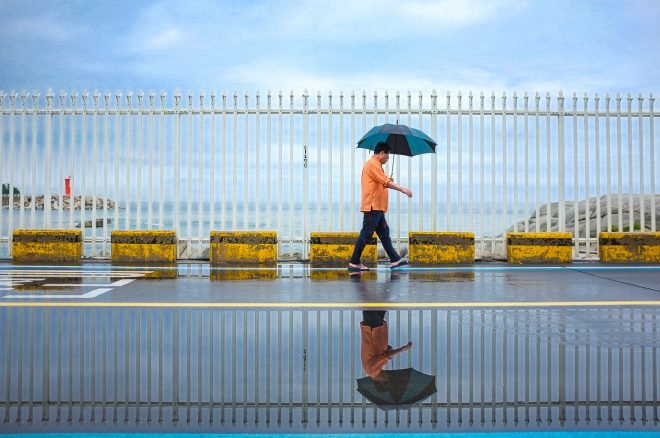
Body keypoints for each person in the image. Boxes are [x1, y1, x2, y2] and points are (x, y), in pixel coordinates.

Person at [349, 142, 413, 271]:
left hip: (377, 206)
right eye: (388, 155)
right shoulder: (372, 164)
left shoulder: (376, 165)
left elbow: (382, 181)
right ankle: (354, 262)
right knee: (366, 234)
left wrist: (388, 180)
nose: (388, 158)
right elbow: (384, 182)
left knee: (384, 234)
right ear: (382, 153)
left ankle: (395, 259)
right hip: (373, 206)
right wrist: (402, 189)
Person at [360, 310, 412, 380]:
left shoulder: (372, 372)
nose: (389, 375)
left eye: (388, 379)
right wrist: (387, 349)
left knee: (372, 303)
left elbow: (386, 356)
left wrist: (403, 349)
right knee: (379, 302)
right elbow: (379, 353)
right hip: (377, 328)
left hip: (373, 329)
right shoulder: (376, 370)